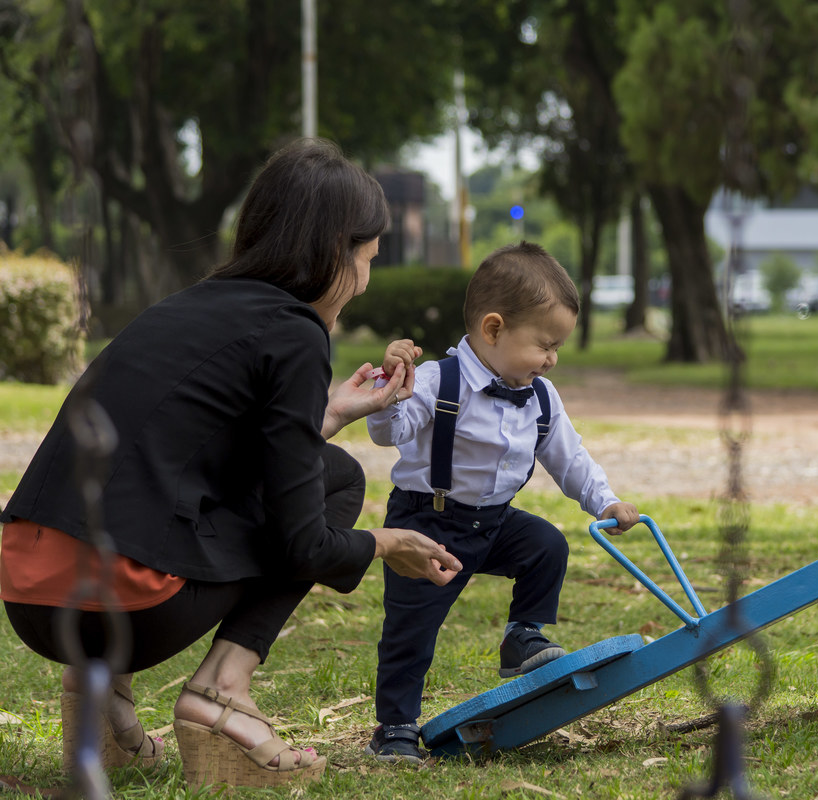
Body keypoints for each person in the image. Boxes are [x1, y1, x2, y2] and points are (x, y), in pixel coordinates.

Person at [0, 138, 463, 788]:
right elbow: (304, 543)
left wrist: (324, 414)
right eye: (365, 260)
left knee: (305, 470)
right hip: (126, 609)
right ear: (335, 251)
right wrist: (386, 544)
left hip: (28, 592)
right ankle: (221, 697)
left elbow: (189, 451)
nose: (363, 282)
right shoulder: (296, 331)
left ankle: (103, 702)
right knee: (341, 481)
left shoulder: (182, 307)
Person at [363, 241, 640, 764]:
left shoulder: (541, 395)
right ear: (494, 329)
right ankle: (396, 725)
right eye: (545, 345)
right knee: (411, 629)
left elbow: (570, 457)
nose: (552, 359)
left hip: (492, 522)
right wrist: (388, 391)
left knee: (545, 546)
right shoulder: (435, 382)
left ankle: (522, 638)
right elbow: (388, 431)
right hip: (427, 523)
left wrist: (605, 501)